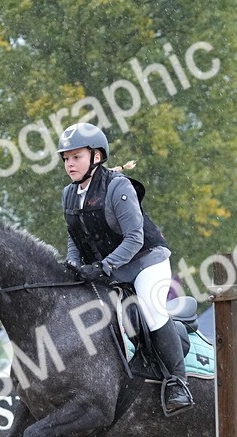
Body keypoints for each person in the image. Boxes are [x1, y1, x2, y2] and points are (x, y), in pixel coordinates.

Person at [57, 122, 192, 413]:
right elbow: (74, 236)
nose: (70, 163)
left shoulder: (118, 186)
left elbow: (135, 237)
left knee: (152, 310)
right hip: (109, 267)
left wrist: (104, 266)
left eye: (76, 156)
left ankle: (177, 383)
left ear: (96, 156)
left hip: (145, 261)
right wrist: (73, 265)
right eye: (66, 158)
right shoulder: (68, 194)